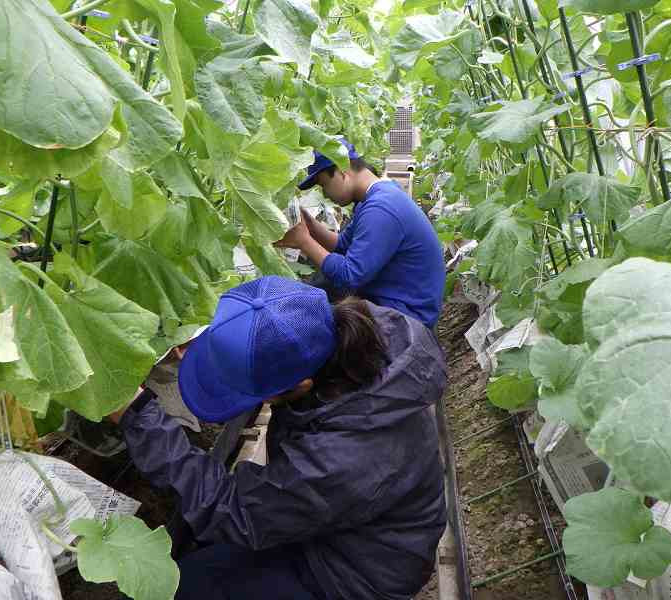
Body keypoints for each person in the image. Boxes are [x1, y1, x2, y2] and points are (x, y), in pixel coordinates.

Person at [110, 276, 447, 600]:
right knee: (202, 560)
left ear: (301, 386)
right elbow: (262, 334)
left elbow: (233, 510)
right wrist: (217, 346)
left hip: (356, 574)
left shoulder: (342, 458)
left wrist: (136, 414)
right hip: (341, 525)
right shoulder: (344, 337)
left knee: (181, 588)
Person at [276, 139, 446, 329]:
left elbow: (349, 277)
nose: (325, 194)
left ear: (342, 170)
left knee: (306, 319)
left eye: (324, 185)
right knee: (317, 293)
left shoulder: (381, 208)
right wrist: (311, 226)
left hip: (406, 321)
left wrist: (304, 242)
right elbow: (342, 245)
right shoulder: (376, 196)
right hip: (395, 303)